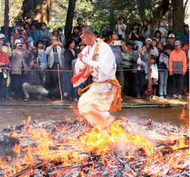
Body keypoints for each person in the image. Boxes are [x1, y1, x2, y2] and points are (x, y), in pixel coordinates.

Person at [72, 26, 121, 136]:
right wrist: (82, 63)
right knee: (88, 107)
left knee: (85, 104)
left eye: (84, 38)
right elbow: (80, 62)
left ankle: (107, 119)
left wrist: (87, 61)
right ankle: (107, 135)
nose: (82, 41)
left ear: (91, 35)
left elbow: (105, 67)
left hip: (106, 83)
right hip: (97, 83)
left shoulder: (104, 47)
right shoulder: (88, 48)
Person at [45, 35, 64, 99]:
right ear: (51, 41)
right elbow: (46, 52)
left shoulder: (59, 48)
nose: (54, 41)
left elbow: (62, 53)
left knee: (58, 80)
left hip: (58, 65)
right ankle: (52, 94)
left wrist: (62, 46)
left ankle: (58, 94)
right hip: (52, 65)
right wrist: (52, 46)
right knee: (52, 80)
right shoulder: (49, 48)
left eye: (55, 40)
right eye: (53, 40)